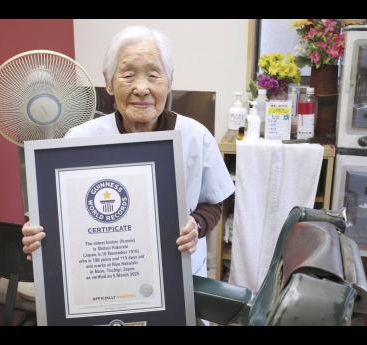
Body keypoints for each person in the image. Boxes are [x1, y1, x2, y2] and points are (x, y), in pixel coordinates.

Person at [22, 25, 235, 278]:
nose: (142, 88)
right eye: (128, 75)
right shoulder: (79, 139)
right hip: (104, 274)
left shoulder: (196, 137)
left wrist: (196, 225)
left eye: (154, 75)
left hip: (179, 275)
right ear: (108, 82)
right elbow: (60, 214)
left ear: (170, 81)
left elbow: (212, 203)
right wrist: (37, 235)